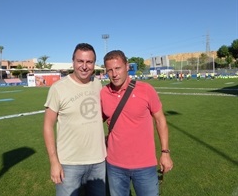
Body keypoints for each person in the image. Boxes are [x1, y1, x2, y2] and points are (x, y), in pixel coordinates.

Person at [101, 50, 173, 196]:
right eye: (110, 70)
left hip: (145, 165)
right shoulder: (103, 93)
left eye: (118, 68)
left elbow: (160, 120)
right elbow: (94, 122)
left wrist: (165, 152)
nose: (114, 74)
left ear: (127, 66)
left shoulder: (146, 90)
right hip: (114, 166)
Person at [43, 43, 107, 196]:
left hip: (99, 162)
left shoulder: (98, 85)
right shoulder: (58, 88)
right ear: (73, 61)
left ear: (94, 63)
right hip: (69, 164)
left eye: (89, 62)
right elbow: (47, 126)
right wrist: (54, 162)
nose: (84, 66)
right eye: (80, 61)